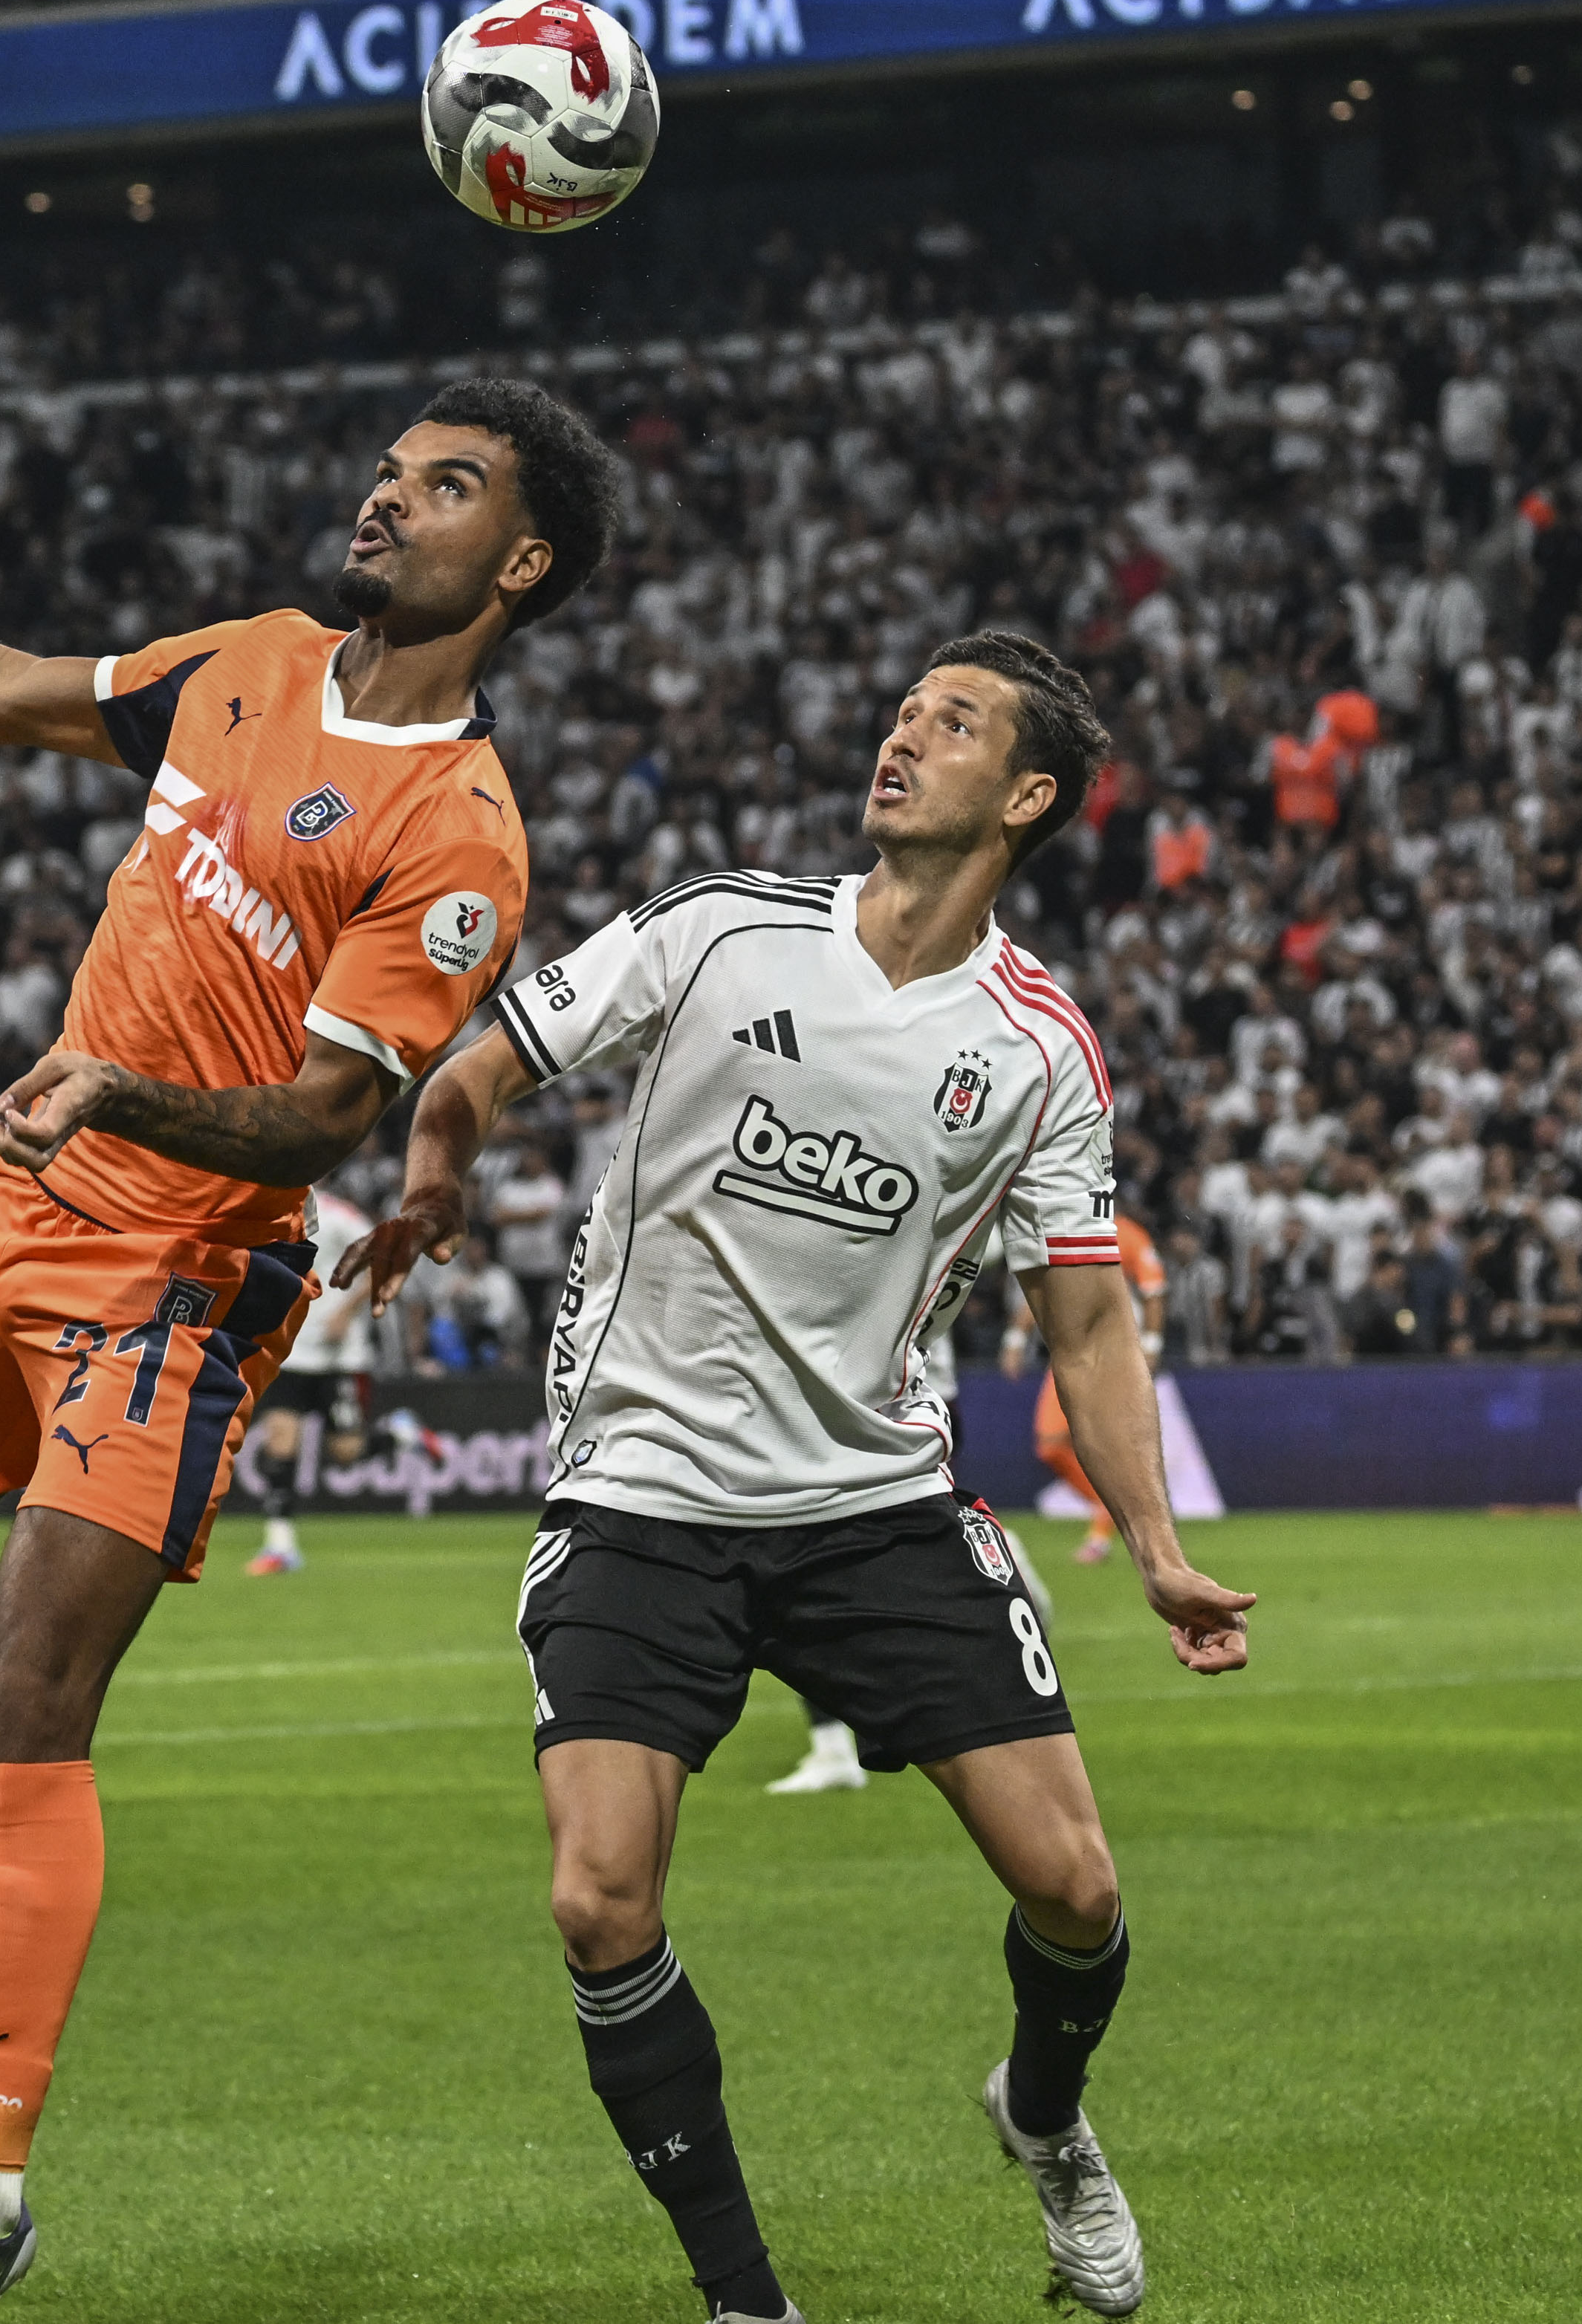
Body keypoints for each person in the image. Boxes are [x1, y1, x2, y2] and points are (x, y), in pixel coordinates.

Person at [0, 376, 619, 2324]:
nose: (387, 503)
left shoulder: (459, 825)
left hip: (185, 1273)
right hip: (20, 1215)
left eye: (446, 487)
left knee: (31, 1693)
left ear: (526, 560)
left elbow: (324, 1120)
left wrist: (124, 1092)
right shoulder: (242, 660)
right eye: (391, 473)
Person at [360, 632, 1256, 2324]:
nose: (904, 730)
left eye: (956, 720)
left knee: (1076, 1890)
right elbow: (489, 1059)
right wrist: (437, 1159)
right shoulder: (720, 932)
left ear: (1031, 796)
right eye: (904, 702)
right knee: (597, 1896)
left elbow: (1085, 1313)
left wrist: (1156, 1549)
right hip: (643, 1488)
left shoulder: (1041, 1047)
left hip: (872, 1505)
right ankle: (746, 2303)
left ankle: (1045, 2120)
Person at [999, 1211, 1167, 1565]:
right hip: (1068, 1352)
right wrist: (1016, 1337)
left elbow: (1153, 1291)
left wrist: (1151, 1346)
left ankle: (1101, 1536)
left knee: (1109, 1444)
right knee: (1049, 1445)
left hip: (1114, 1352)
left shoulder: (1127, 1233)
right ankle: (1109, 1505)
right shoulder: (1061, 1229)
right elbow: (1047, 1292)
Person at [235, 1180, 377, 1574]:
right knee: (281, 1442)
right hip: (291, 1351)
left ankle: (399, 1435)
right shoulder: (270, 1209)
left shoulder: (341, 1215)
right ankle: (281, 1546)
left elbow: (380, 1257)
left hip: (339, 1356)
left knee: (346, 1453)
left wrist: (346, 1313)